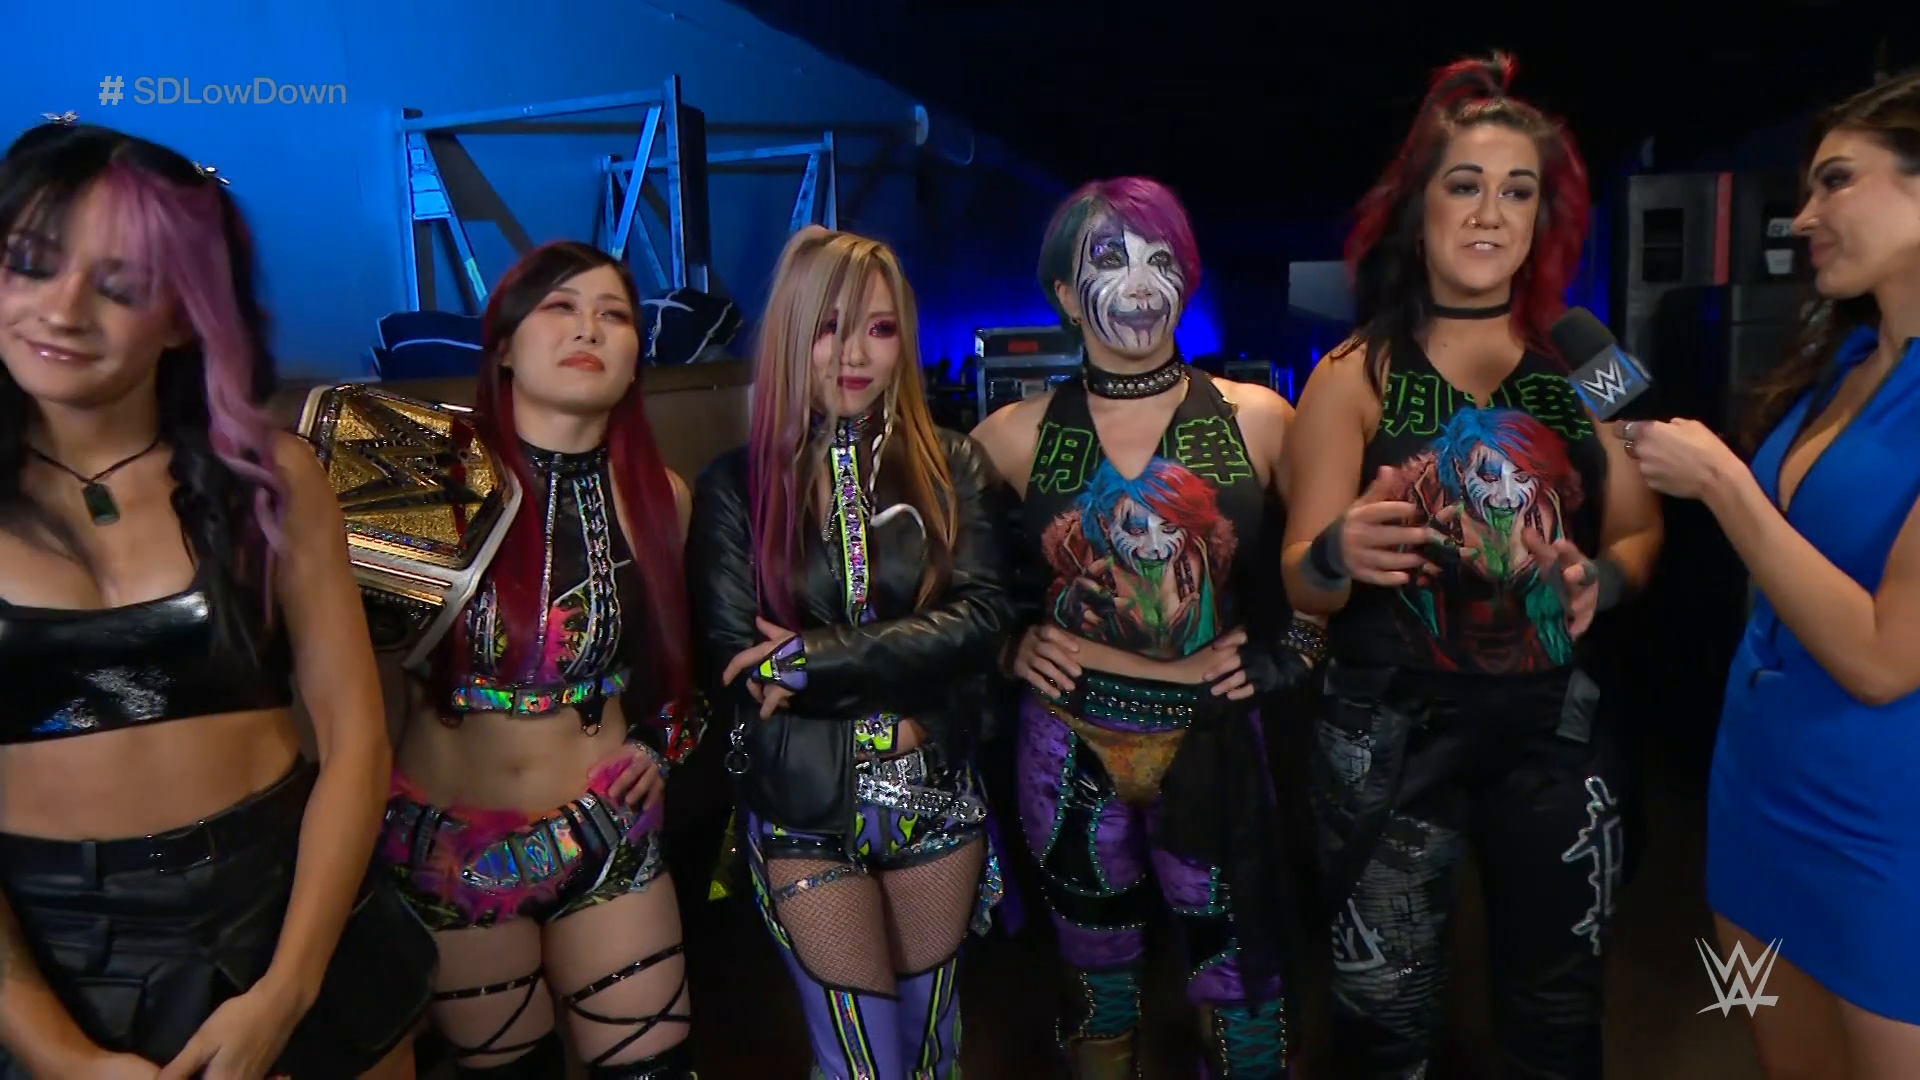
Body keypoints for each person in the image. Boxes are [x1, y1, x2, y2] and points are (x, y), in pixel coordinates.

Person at [0, 122, 430, 1076]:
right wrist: (61, 1057)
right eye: (29, 263)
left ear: (184, 315)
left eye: (120, 285)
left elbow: (356, 742)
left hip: (292, 907)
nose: (61, 310)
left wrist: (288, 990)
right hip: (60, 958)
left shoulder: (271, 481)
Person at [1278, 54, 1663, 1079]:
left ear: (1542, 218)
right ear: (1419, 209)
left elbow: (1643, 527)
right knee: (1385, 1018)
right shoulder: (1351, 372)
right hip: (1392, 731)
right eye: (1465, 185)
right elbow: (1298, 579)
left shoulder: (1593, 359)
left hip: (1554, 729)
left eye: (1517, 190)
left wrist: (1604, 580)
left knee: (1559, 1015)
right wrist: (1336, 551)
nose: (1491, 213)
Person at [971, 176, 1316, 1078]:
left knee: (1245, 993)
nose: (1137, 282)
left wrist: (1293, 651)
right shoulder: (1010, 436)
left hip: (1216, 738)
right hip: (1068, 744)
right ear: (1063, 291)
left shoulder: (1259, 420)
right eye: (1109, 258)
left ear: (1188, 280)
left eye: (1161, 259)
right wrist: (1008, 643)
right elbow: (949, 585)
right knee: (1099, 988)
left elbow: (1326, 558)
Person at [1623, 72, 1920, 1079]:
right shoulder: (1844, 363)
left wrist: (1721, 483)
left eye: (1836, 181)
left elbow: (1883, 659)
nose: (1803, 219)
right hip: (1758, 799)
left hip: (1885, 831)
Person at [687, 226, 1012, 1080]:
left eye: (881, 328)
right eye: (830, 328)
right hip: (803, 807)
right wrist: (907, 670)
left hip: (936, 795)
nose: (856, 354)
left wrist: (811, 657)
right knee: (863, 1069)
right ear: (793, 334)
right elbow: (740, 665)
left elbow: (982, 622)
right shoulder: (733, 487)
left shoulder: (955, 465)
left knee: (932, 1056)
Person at [368, 241, 699, 1079]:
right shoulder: (422, 480)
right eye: (560, 307)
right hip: (445, 846)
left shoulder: (663, 496)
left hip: (605, 833)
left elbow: (682, 669)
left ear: (636, 357)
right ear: (505, 346)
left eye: (613, 314)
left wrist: (662, 745)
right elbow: (341, 668)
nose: (588, 328)